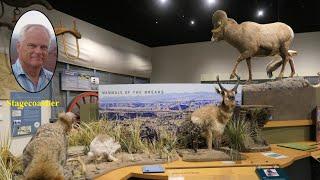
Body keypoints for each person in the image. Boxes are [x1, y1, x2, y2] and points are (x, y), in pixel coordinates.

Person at [12, 24, 53, 92]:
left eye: (43, 47)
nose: (38, 52)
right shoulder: (4, 76)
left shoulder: (51, 78)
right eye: (32, 46)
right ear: (18, 47)